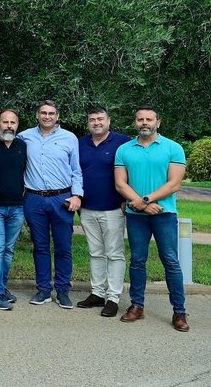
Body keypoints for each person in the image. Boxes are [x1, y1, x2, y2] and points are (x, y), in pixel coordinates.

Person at [115, 105, 189, 332]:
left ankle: (179, 311)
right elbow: (120, 183)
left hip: (164, 214)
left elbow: (174, 184)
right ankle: (137, 306)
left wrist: (144, 200)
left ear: (158, 122)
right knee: (137, 260)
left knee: (171, 261)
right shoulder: (124, 149)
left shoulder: (173, 148)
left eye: (149, 119)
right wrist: (140, 205)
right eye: (140, 119)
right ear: (135, 122)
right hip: (136, 216)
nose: (144, 123)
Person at [18, 101, 83, 309]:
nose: (47, 116)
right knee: (41, 247)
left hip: (62, 199)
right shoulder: (24, 137)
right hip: (34, 198)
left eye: (51, 113)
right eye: (43, 113)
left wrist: (77, 195)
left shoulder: (69, 138)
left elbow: (76, 170)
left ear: (57, 116)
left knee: (63, 247)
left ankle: (63, 290)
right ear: (37, 115)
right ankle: (43, 289)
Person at [77, 107, 129, 317]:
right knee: (95, 252)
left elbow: (130, 170)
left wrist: (127, 198)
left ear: (109, 120)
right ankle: (97, 293)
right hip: (87, 208)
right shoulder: (81, 143)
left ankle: (114, 297)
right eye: (92, 119)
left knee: (114, 254)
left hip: (114, 208)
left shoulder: (122, 142)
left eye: (100, 119)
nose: (96, 122)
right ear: (88, 123)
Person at [0, 109, 27, 310]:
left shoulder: (22, 145)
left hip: (17, 207)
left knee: (9, 249)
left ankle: (2, 286)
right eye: (5, 122)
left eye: (12, 122)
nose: (9, 126)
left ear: (17, 125)